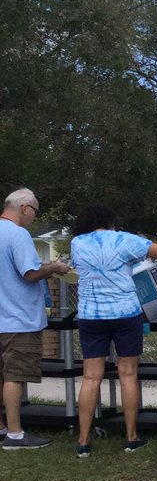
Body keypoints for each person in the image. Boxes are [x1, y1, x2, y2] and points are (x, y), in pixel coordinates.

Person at [70, 203, 157, 458]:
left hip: (90, 314)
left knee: (90, 377)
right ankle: (131, 437)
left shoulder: (77, 243)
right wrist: (142, 244)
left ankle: (83, 441)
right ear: (110, 220)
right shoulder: (124, 239)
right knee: (128, 374)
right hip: (125, 313)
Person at [1, 188, 71, 451]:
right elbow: (30, 273)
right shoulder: (18, 234)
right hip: (18, 319)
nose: (34, 217)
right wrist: (55, 267)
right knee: (14, 376)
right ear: (25, 208)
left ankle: (1, 429)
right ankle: (16, 435)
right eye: (35, 212)